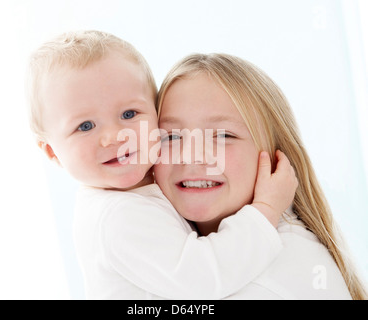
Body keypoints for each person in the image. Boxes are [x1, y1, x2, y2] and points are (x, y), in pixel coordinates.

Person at [26, 30, 298, 299]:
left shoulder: (137, 195)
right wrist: (265, 210)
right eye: (85, 126)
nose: (115, 136)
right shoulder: (120, 216)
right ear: (52, 152)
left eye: (129, 114)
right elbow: (202, 280)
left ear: (156, 113)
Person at [154, 53, 367, 300]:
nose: (190, 156)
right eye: (171, 137)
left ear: (278, 157)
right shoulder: (201, 256)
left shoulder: (279, 274)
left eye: (223, 136)